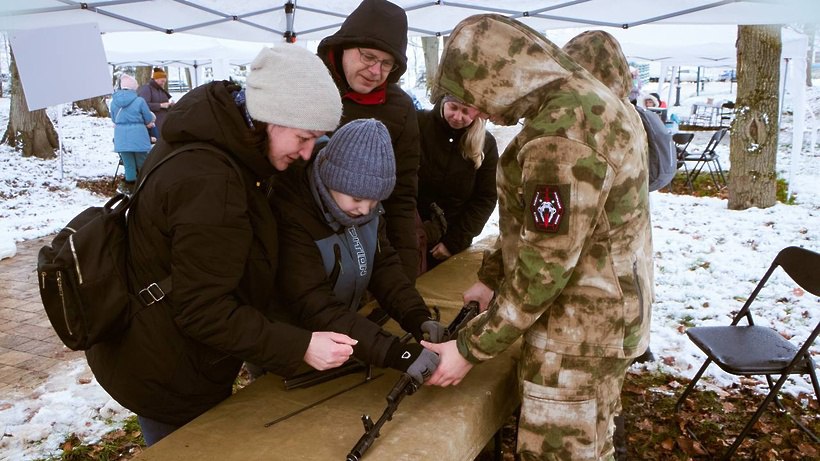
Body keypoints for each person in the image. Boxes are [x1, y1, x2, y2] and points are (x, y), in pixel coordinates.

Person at [85, 45, 357, 446]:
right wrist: (300, 346)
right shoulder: (212, 183)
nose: (305, 154)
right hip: (167, 370)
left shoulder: (215, 132)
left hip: (159, 345)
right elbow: (203, 310)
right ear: (269, 117)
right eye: (303, 138)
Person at [422, 16, 653, 461]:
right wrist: (491, 276)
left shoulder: (564, 132)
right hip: (604, 317)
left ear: (500, 77)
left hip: (577, 335)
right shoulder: (587, 102)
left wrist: (469, 349)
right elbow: (539, 225)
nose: (479, 113)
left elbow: (544, 267)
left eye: (478, 98)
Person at [270, 118, 444, 384]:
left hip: (342, 336)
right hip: (292, 348)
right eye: (357, 199)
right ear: (332, 180)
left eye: (374, 202)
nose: (365, 210)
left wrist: (416, 316)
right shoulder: (292, 213)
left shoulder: (363, 207)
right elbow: (314, 303)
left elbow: (384, 265)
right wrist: (395, 352)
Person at [316, 0, 421, 281]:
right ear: (343, 46)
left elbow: (402, 194)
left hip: (369, 239)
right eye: (368, 56)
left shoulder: (400, 108)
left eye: (386, 63)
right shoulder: (310, 86)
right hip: (304, 240)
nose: (375, 71)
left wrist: (406, 272)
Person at [416, 94, 498, 272]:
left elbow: (485, 198)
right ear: (443, 102)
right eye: (453, 108)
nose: (457, 117)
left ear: (477, 113)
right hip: (410, 230)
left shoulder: (486, 144)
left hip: (450, 238)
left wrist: (454, 242)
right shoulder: (419, 124)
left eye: (466, 112)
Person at [110, 73, 155, 193]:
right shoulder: (140, 101)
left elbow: (114, 119)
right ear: (133, 88)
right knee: (142, 163)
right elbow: (148, 118)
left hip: (121, 137)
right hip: (138, 136)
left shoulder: (113, 102)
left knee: (128, 164)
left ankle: (130, 189)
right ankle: (145, 188)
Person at [137, 67, 175, 138]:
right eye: (162, 81)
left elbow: (164, 103)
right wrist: (160, 105)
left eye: (164, 81)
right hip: (154, 123)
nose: (163, 83)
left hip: (164, 122)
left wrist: (170, 105)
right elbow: (143, 105)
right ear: (156, 79)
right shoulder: (147, 89)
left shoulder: (161, 90)